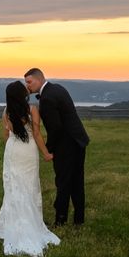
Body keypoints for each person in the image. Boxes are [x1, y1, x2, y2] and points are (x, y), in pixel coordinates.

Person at [0, 81, 60, 256]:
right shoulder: (32, 110)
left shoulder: (6, 112)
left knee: (13, 186)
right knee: (29, 186)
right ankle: (30, 225)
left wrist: (11, 149)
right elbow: (36, 134)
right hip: (28, 151)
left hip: (13, 150)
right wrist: (46, 153)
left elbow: (6, 135)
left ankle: (11, 225)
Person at [25, 68, 90, 226]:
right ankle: (79, 220)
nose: (27, 86)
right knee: (77, 181)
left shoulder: (47, 98)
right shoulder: (58, 88)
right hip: (79, 141)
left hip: (66, 145)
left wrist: (48, 150)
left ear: (39, 79)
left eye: (29, 81)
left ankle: (60, 220)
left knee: (63, 182)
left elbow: (55, 128)